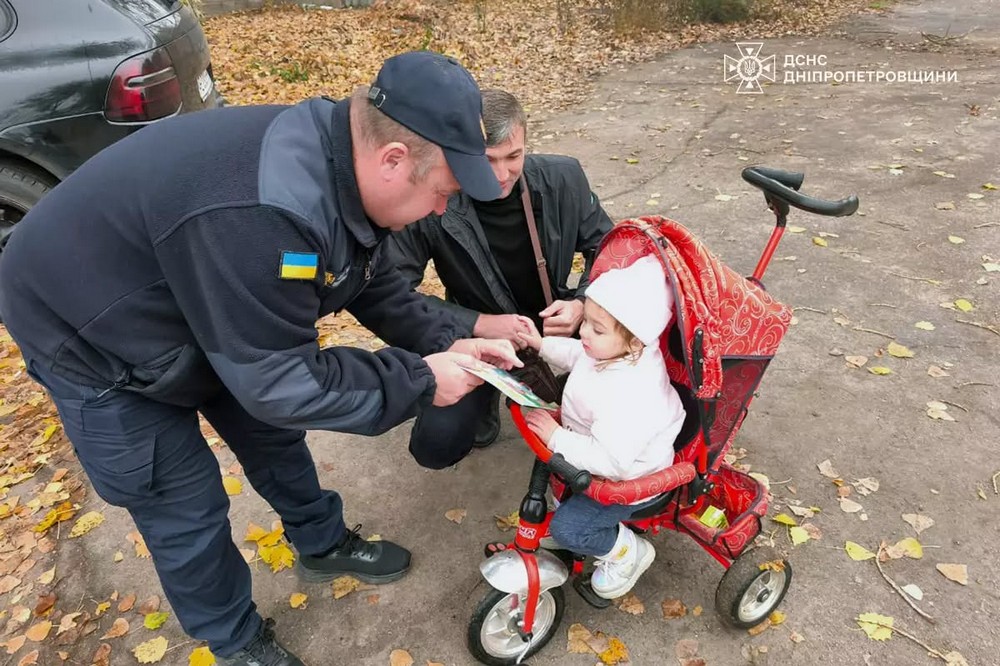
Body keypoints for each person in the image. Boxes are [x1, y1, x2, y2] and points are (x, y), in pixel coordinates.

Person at [0, 51, 521, 666]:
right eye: (443, 194)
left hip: (203, 298)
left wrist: (445, 340)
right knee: (184, 502)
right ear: (394, 159)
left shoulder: (343, 163)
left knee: (272, 434)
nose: (441, 211)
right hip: (91, 332)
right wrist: (420, 380)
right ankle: (236, 641)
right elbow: (282, 381)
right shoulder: (263, 214)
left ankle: (321, 541)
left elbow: (367, 280)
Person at [388, 88, 614, 466]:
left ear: (526, 139)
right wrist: (480, 325)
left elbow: (609, 246)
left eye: (514, 157)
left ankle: (559, 385)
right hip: (474, 337)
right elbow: (393, 291)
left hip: (558, 323)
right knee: (435, 447)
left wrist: (581, 303)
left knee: (625, 382)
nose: (501, 174)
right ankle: (490, 393)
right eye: (487, 160)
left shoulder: (564, 177)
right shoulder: (433, 195)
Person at [517, 255, 686, 600]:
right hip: (592, 449)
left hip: (629, 479)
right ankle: (585, 523)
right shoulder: (610, 351)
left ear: (636, 340)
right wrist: (540, 345)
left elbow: (612, 462)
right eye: (587, 322)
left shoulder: (633, 394)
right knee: (558, 484)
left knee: (567, 529)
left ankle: (628, 553)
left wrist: (556, 437)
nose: (584, 333)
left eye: (596, 328)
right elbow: (576, 354)